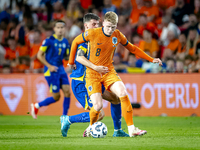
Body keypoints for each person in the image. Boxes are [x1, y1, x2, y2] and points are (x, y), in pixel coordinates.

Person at [68, 11, 162, 137]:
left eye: (113, 27)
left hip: (108, 71)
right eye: (108, 26)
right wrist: (70, 61)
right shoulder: (92, 33)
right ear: (103, 23)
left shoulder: (117, 35)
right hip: (92, 73)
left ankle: (131, 129)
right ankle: (91, 127)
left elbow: (132, 48)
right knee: (97, 105)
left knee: (122, 93)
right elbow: (75, 41)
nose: (111, 29)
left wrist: (151, 59)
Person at [60, 13, 129, 138]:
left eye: (98, 24)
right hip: (81, 82)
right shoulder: (84, 43)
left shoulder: (98, 38)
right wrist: (74, 63)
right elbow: (79, 56)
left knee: (115, 98)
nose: (97, 26)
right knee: (100, 113)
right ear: (86, 25)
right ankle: (68, 120)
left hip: (94, 80)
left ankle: (117, 131)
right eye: (94, 24)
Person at [31, 20, 71, 119]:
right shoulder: (49, 41)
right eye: (58, 27)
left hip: (61, 69)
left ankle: (64, 117)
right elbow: (40, 56)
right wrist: (49, 66)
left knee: (68, 92)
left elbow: (66, 56)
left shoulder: (65, 42)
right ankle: (37, 105)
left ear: (64, 29)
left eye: (62, 27)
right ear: (54, 29)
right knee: (56, 97)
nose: (60, 29)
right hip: (51, 71)